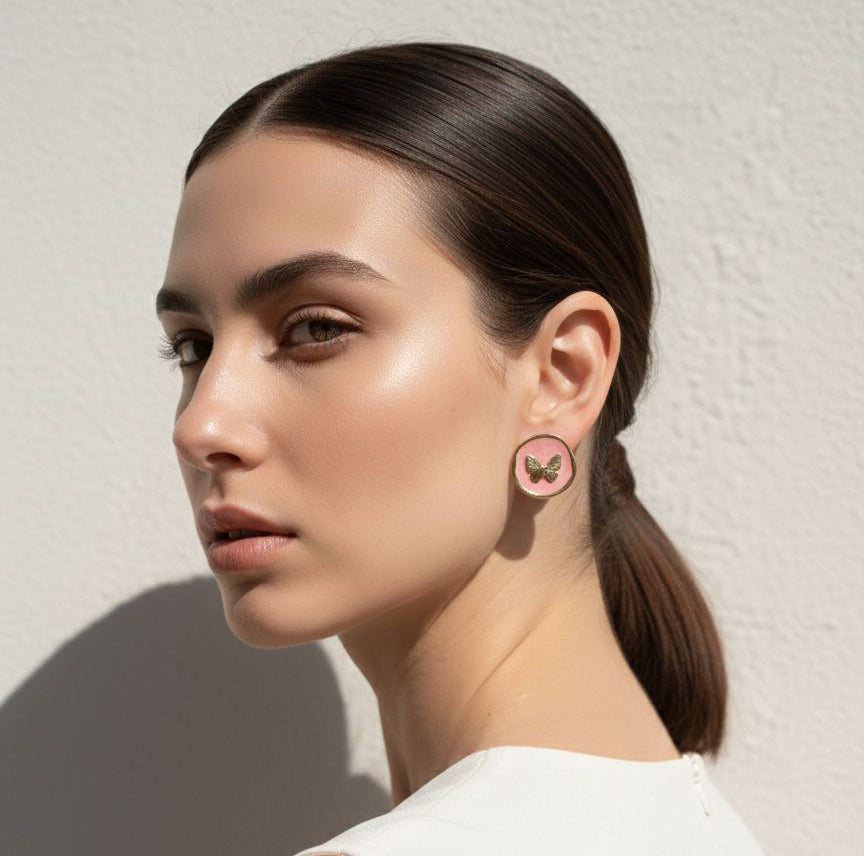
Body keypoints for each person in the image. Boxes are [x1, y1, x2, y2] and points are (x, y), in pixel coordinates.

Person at [154, 41, 767, 855]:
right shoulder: (695, 825)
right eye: (192, 346)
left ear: (560, 375)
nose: (201, 426)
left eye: (315, 329)